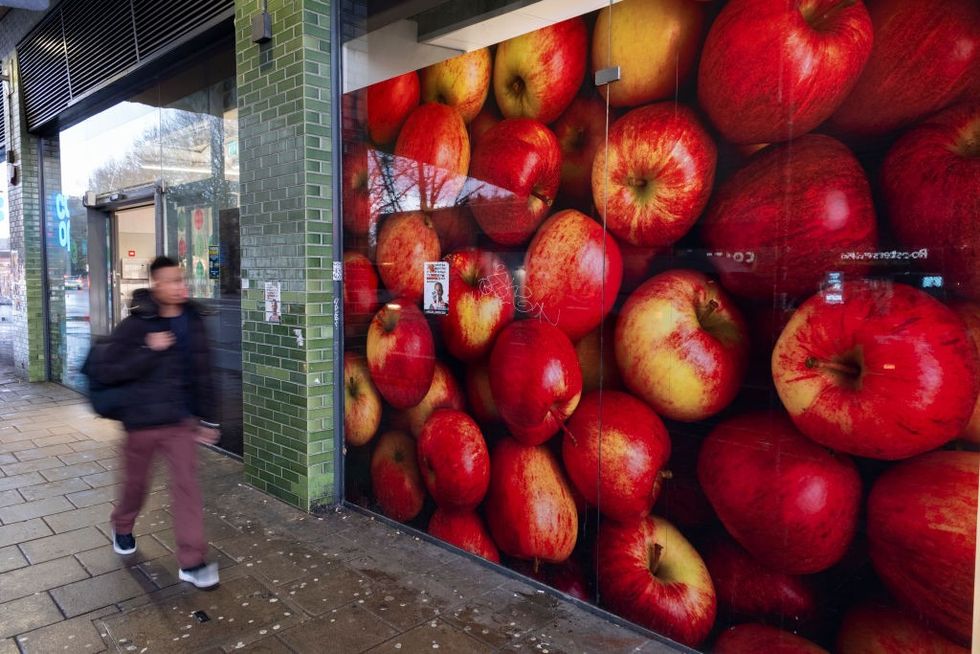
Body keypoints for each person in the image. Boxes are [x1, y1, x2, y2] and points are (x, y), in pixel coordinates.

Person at [85, 256, 221, 589]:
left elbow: (204, 373)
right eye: (172, 280)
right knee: (136, 487)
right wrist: (148, 349)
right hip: (141, 424)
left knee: (187, 488)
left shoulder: (194, 319)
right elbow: (107, 371)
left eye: (182, 279)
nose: (180, 286)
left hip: (179, 423)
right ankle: (122, 523)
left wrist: (209, 418)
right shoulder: (136, 325)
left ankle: (191, 562)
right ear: (156, 285)